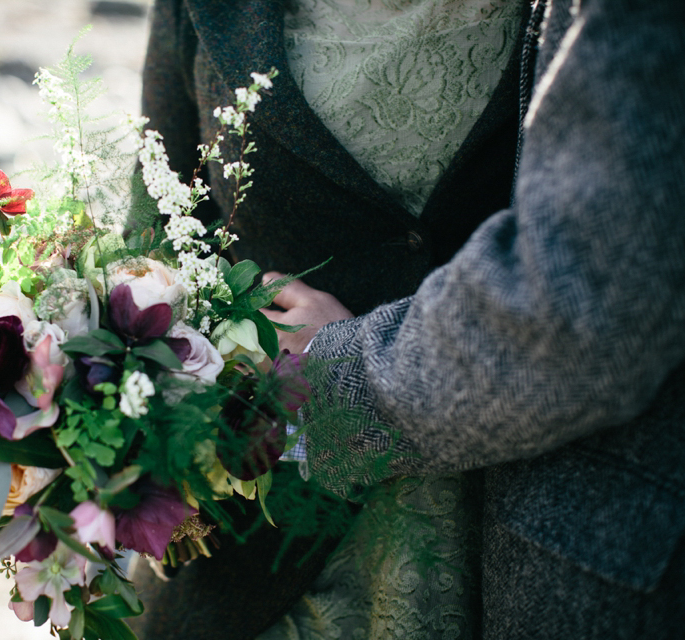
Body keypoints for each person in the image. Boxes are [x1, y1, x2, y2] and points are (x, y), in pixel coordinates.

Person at [134, 0, 685, 637]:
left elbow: (597, 280)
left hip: (510, 532)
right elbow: (159, 220)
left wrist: (329, 374)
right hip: (252, 559)